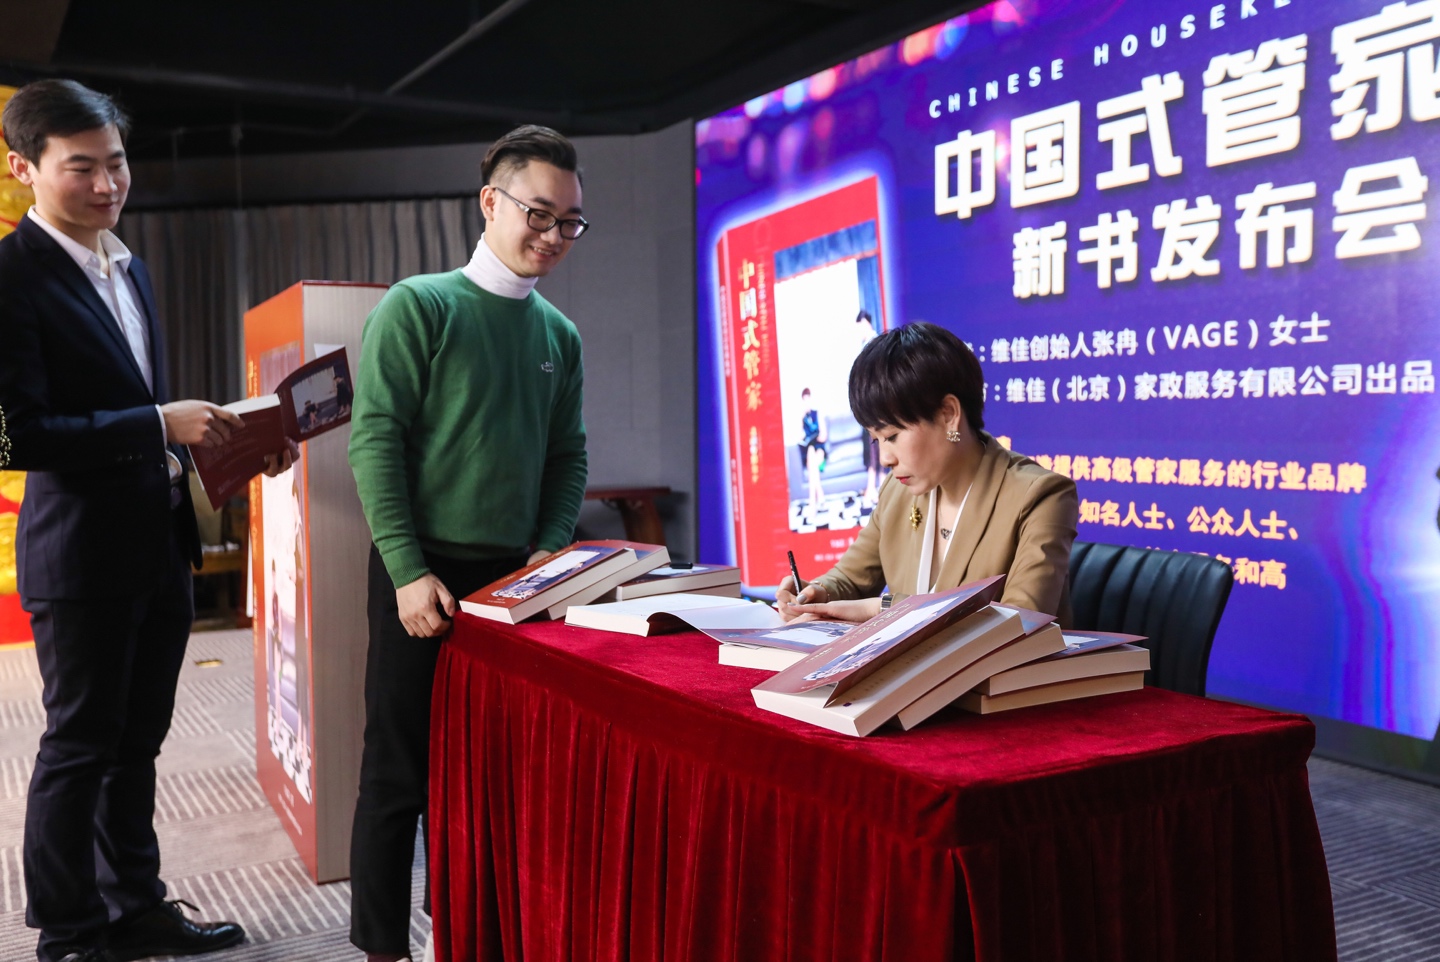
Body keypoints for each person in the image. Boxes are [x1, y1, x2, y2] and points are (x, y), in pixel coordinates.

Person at [0, 79, 296, 962]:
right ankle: (68, 934)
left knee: (136, 745)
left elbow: (138, 421)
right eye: (80, 167)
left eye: (117, 162)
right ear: (23, 169)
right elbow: (13, 435)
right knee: (78, 747)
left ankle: (133, 908)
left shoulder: (129, 264)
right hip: (80, 557)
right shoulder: (11, 275)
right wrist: (157, 424)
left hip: (158, 541)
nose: (107, 185)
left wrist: (227, 450)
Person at [347, 124, 590, 962]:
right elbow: (374, 442)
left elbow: (567, 456)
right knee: (397, 772)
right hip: (420, 568)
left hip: (514, 580)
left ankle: (469, 933)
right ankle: (381, 948)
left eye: (570, 221)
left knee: (487, 777)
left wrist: (549, 552)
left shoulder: (560, 336)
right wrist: (408, 572)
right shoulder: (419, 305)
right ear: (491, 201)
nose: (554, 235)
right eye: (539, 213)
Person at [778, 321, 1077, 624]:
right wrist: (816, 593)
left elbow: (1017, 623)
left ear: (949, 414)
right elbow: (850, 578)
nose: (885, 458)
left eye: (892, 436)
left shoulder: (1039, 496)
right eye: (876, 440)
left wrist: (883, 608)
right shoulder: (897, 491)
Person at [797, 387, 826, 515]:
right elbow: (799, 437)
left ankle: (812, 501)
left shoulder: (817, 414)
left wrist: (815, 436)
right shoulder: (802, 417)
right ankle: (819, 497)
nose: (807, 403)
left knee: (812, 459)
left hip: (819, 448)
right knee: (810, 453)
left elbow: (824, 436)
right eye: (804, 401)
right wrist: (800, 419)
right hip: (809, 450)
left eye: (808, 400)